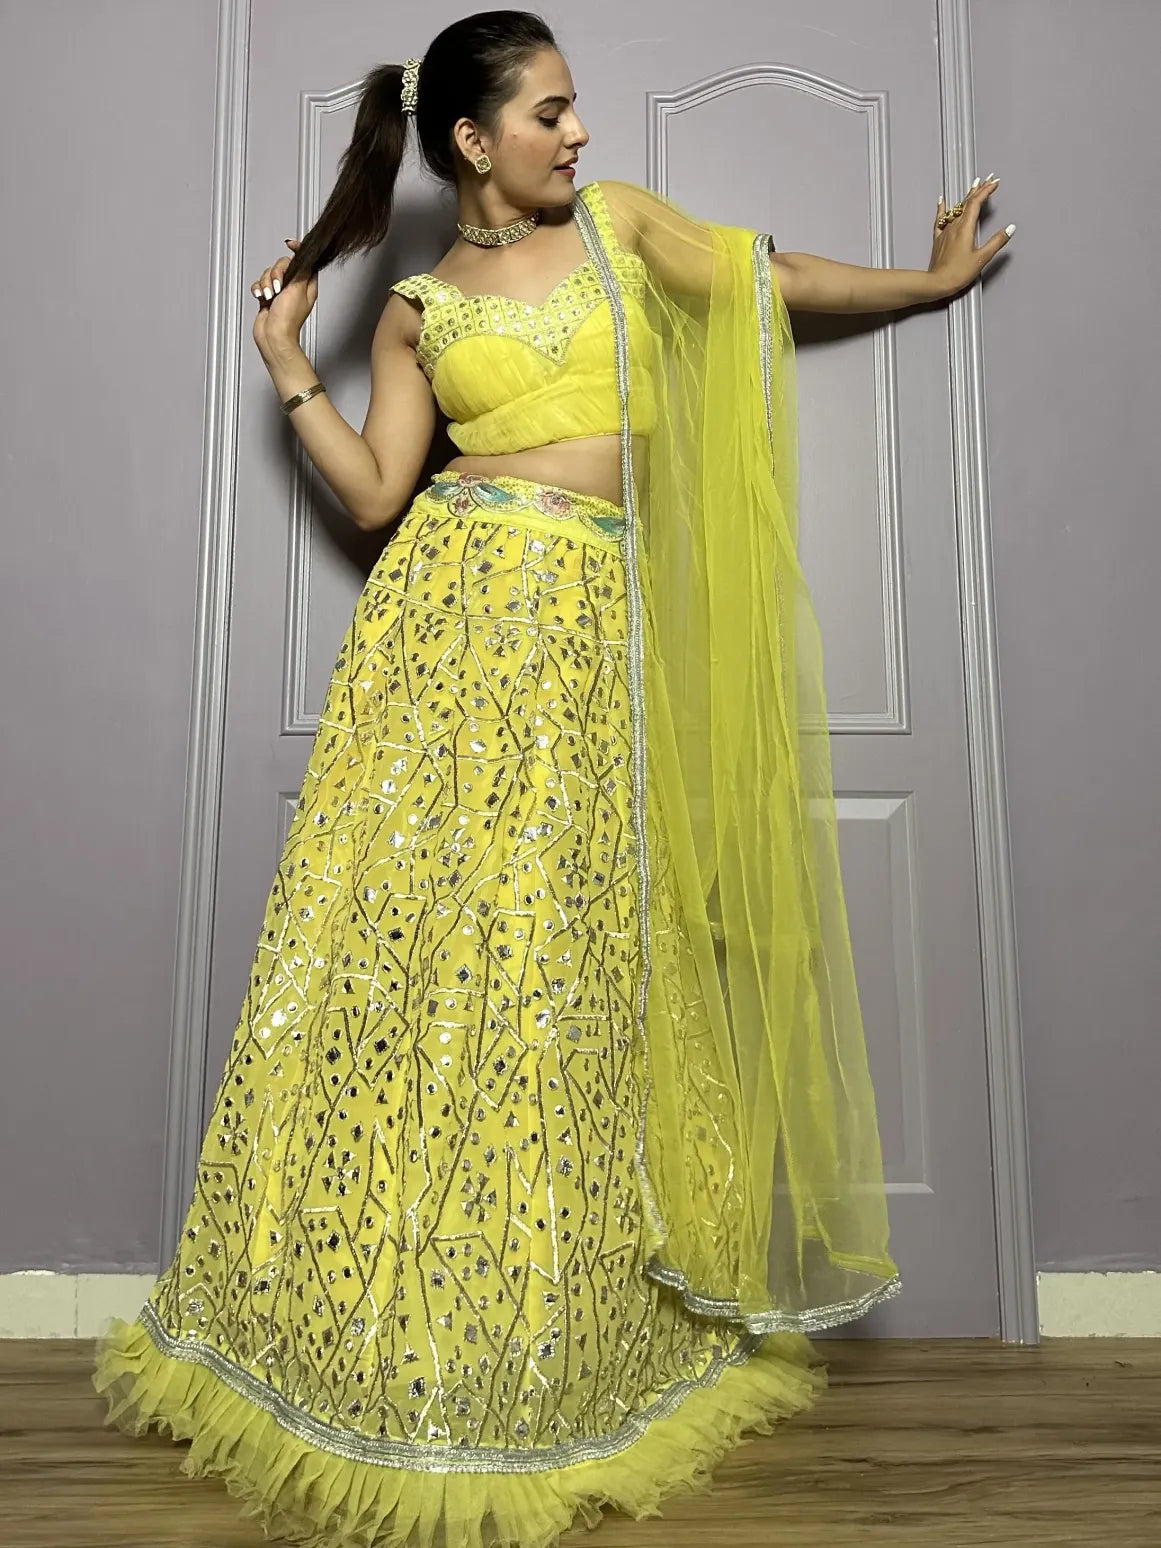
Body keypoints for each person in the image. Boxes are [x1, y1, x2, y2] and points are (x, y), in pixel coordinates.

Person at [91, 11, 1013, 1547]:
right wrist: (281, 366)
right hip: (442, 635)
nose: (578, 134)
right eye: (551, 111)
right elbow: (384, 494)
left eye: (575, 111)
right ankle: (376, 1332)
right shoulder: (411, 307)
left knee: (553, 976)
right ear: (471, 137)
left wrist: (922, 281)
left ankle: (547, 1324)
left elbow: (768, 283)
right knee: (404, 971)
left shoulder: (622, 229)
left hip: (589, 635)